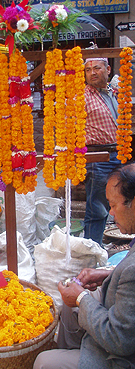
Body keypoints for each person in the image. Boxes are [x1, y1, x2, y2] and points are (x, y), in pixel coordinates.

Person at [33, 162, 135, 369]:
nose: (110, 213)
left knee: (43, 366)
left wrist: (82, 298)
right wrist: (106, 275)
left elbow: (119, 339)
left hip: (126, 365)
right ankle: (76, 359)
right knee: (69, 310)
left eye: (113, 205)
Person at [83, 57, 121, 246]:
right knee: (96, 208)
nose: (92, 73)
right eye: (88, 70)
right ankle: (91, 250)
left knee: (117, 201)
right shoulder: (82, 96)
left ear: (108, 69)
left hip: (119, 153)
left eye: (97, 68)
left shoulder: (113, 93)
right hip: (97, 157)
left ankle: (101, 245)